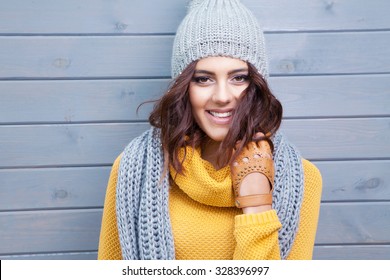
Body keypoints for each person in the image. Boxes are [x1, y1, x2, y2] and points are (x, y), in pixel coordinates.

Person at [98, 0, 322, 260]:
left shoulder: (302, 179)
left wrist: (258, 203)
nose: (222, 96)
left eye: (239, 78)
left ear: (257, 85)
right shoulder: (134, 168)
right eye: (203, 79)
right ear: (183, 87)